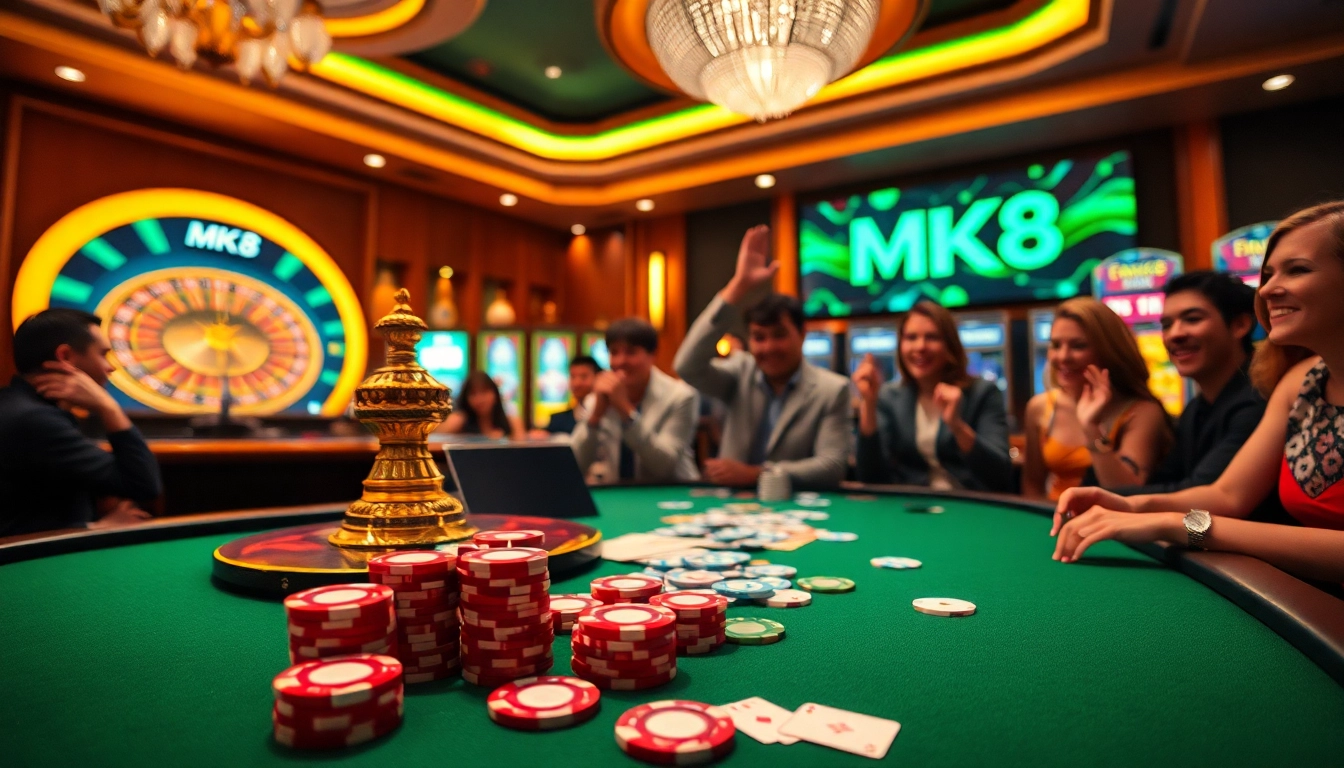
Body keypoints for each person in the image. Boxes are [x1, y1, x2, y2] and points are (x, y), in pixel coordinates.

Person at [1051, 202, 1344, 581]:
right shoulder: (1299, 382)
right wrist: (1132, 505)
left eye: (1298, 269)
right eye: (1267, 275)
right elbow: (1226, 495)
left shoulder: (1257, 395)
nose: (1268, 289)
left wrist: (1174, 524)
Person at [674, 225, 850, 488]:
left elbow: (832, 465)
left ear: (802, 334)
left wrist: (757, 473)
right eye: (759, 337)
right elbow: (686, 365)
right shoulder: (739, 373)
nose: (768, 348)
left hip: (794, 513)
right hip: (729, 510)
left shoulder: (832, 390)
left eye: (779, 335)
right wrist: (738, 285)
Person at [1114, 271, 1286, 520]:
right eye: (1166, 325)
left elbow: (1200, 493)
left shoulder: (1260, 398)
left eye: (1192, 319)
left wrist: (1104, 498)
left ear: (1240, 325)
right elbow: (1165, 481)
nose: (1175, 334)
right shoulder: (1197, 407)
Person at [0, 308, 161, 536]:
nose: (110, 367)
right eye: (103, 354)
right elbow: (143, 485)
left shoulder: (19, 405)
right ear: (65, 357)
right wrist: (109, 407)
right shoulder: (35, 420)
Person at [1021, 297, 1172, 501]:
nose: (1063, 356)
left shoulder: (1142, 411)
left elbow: (1125, 493)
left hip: (1114, 526)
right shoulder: (1039, 407)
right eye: (1056, 345)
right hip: (1053, 521)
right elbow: (1032, 486)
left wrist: (1091, 427)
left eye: (1078, 346)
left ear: (1108, 350)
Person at [853, 300, 1013, 492]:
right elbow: (871, 477)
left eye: (932, 337)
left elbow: (1000, 474)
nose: (920, 346)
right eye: (911, 337)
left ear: (950, 345)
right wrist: (868, 404)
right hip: (912, 507)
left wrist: (956, 425)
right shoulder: (890, 397)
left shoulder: (983, 393)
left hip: (971, 506)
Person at [572, 319, 699, 484]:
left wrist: (626, 411)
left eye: (631, 352)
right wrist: (595, 417)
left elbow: (664, 466)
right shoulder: (598, 397)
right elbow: (577, 466)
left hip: (674, 493)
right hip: (620, 496)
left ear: (653, 354)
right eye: (614, 352)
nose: (620, 362)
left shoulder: (680, 396)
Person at [440, 371, 525, 439]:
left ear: (495, 394)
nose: (479, 399)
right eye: (473, 394)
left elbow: (520, 453)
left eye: (484, 392)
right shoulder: (458, 420)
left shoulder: (513, 422)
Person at [535, 355, 600, 437]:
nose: (577, 383)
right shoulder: (557, 421)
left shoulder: (604, 418)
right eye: (573, 377)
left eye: (583, 377)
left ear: (598, 378)